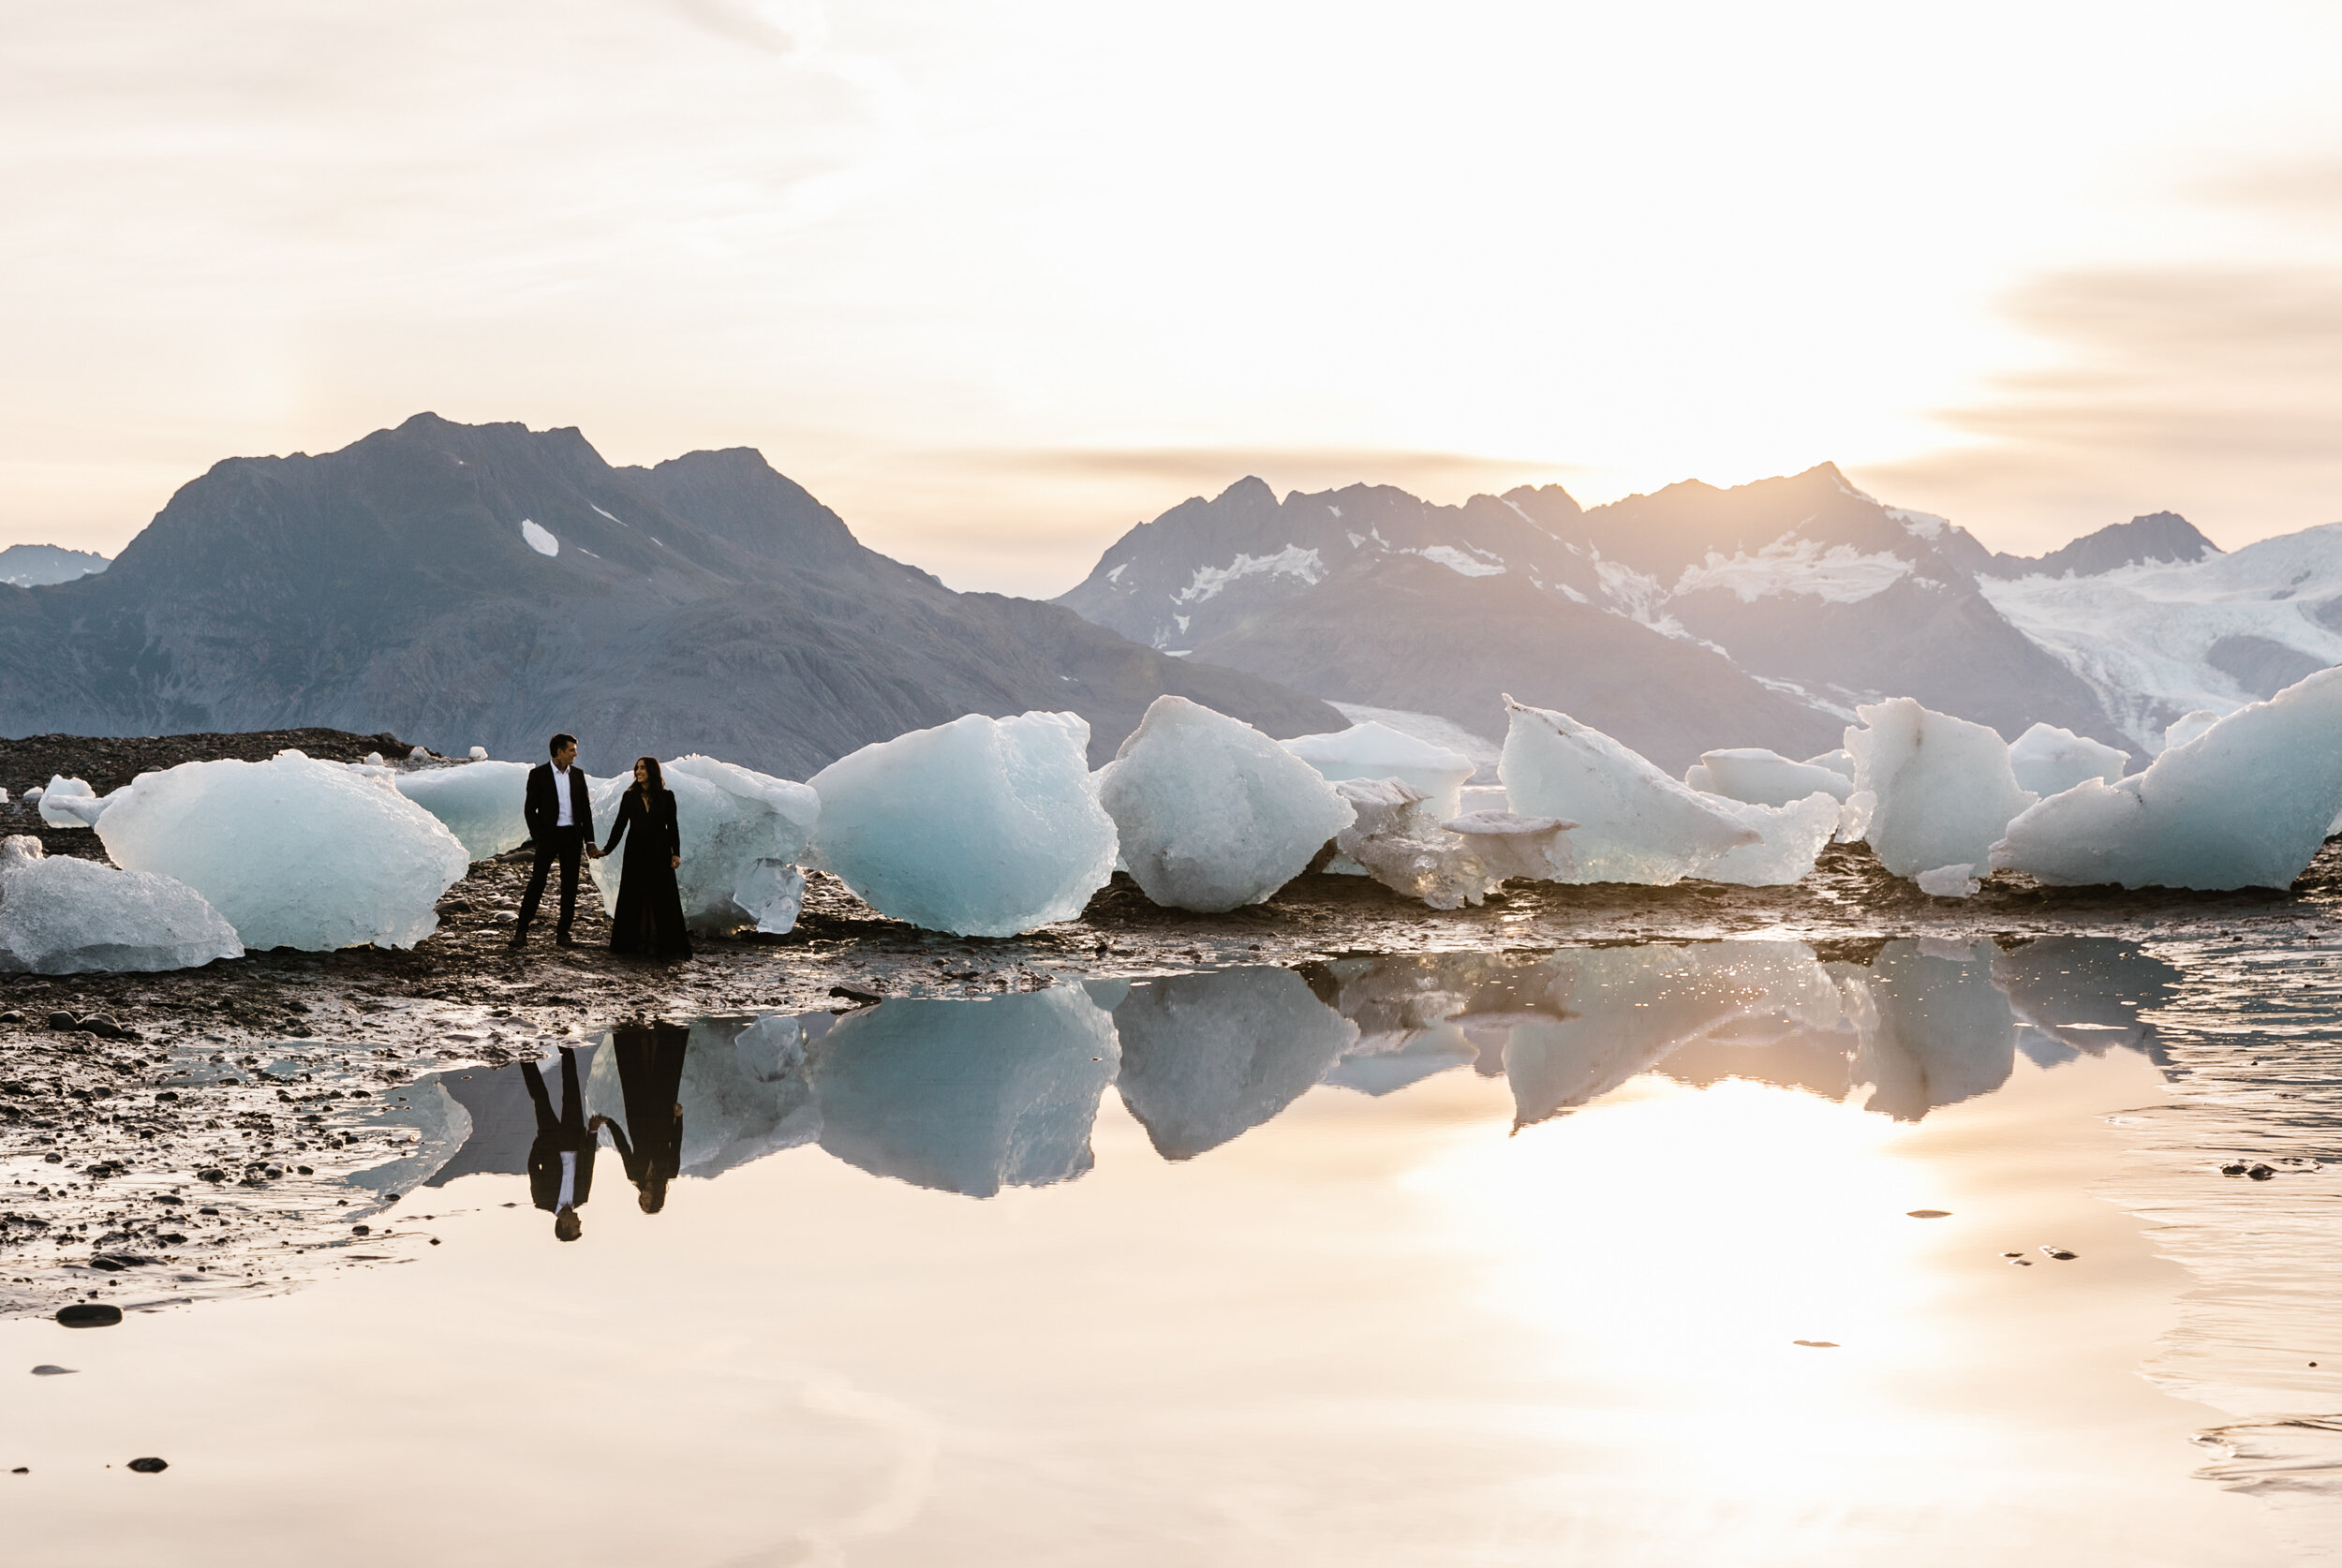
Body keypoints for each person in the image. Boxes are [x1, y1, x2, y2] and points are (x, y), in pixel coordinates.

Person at [591, 1023, 689, 1213]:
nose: (643, 1198)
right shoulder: (670, 1171)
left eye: (642, 1202)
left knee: (637, 1077)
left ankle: (634, 1034)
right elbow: (676, 1143)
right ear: (657, 1199)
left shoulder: (634, 1174)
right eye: (647, 1202)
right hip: (662, 1120)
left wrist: (609, 1123)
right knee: (661, 1077)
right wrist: (679, 1117)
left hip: (638, 1118)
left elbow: (624, 1147)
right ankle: (664, 1033)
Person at [600, 756, 691, 958]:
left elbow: (672, 827)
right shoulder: (629, 796)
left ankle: (664, 943)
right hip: (635, 851)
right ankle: (633, 942)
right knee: (634, 893)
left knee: (662, 895)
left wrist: (675, 853)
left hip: (660, 851)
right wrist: (607, 850)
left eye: (642, 768)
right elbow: (620, 825)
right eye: (637, 768)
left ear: (652, 771)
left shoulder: (667, 796)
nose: (638, 771)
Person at [513, 732, 597, 949]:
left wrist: (589, 841)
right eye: (571, 750)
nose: (575, 754)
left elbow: (585, 811)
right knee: (537, 883)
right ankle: (521, 931)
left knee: (570, 886)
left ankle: (563, 933)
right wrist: (538, 836)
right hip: (549, 837)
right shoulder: (538, 775)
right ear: (559, 751)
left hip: (572, 837)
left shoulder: (578, 775)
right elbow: (529, 809)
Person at [523, 1045, 598, 1241]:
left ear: (564, 1224)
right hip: (574, 1138)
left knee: (540, 1097)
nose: (579, 1222)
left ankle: (523, 1054)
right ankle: (566, 1044)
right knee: (572, 1089)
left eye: (575, 1226)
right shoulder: (582, 1198)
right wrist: (593, 1132)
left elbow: (532, 1167)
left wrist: (541, 1141)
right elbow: (588, 1165)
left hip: (550, 1140)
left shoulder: (542, 1201)